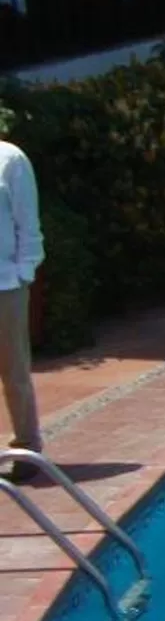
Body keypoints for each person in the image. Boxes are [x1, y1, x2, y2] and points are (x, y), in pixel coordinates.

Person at [0, 137, 41, 481]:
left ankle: (27, 448)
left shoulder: (10, 159)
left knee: (14, 370)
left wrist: (24, 273)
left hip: (5, 284)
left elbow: (28, 223)